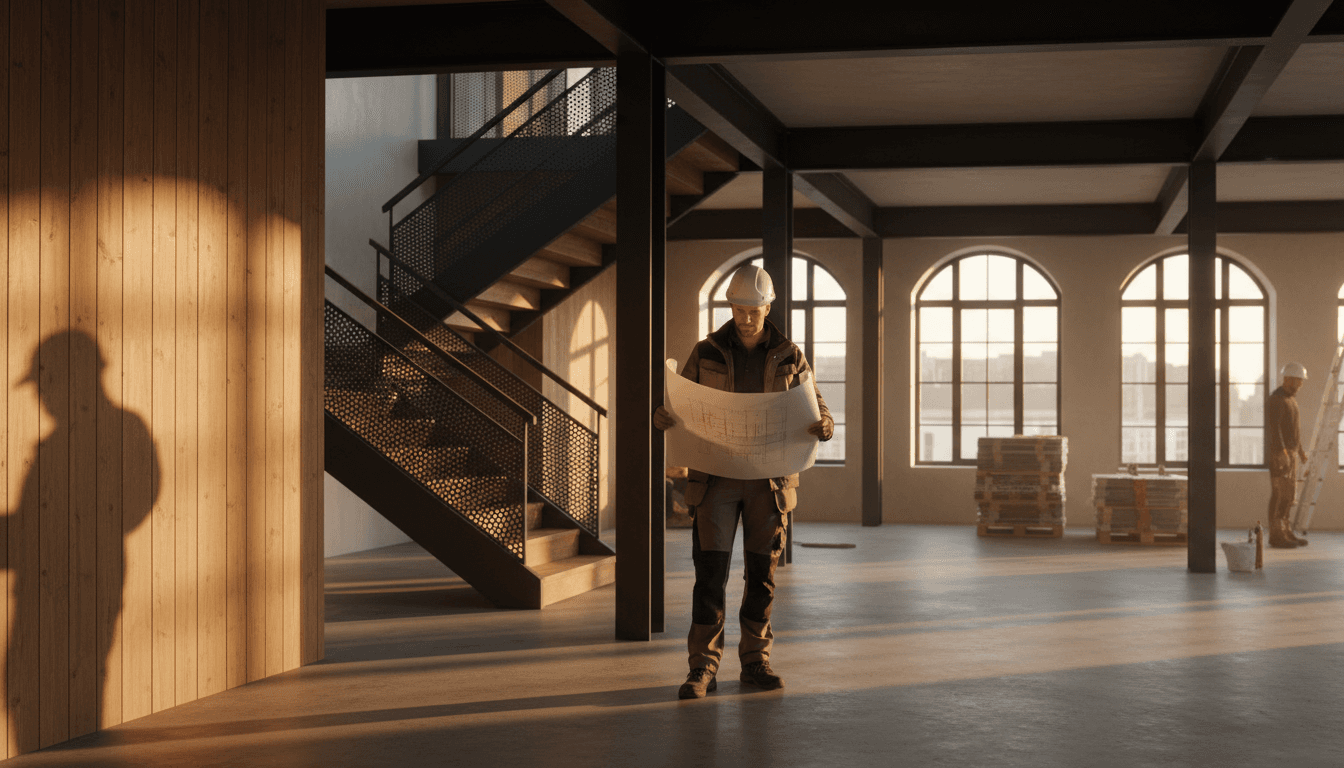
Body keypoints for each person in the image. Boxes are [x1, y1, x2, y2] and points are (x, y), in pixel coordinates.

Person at [653, 264, 833, 700]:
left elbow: (815, 401)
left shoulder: (791, 354)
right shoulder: (707, 351)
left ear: (768, 307)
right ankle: (703, 668)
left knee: (762, 575)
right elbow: (680, 401)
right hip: (716, 481)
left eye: (754, 309)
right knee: (710, 576)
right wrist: (663, 416)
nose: (746, 317)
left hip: (767, 484)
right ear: (730, 307)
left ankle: (755, 661)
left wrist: (825, 421)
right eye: (738, 308)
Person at [1266, 362, 1310, 548]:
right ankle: (1276, 535)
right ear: (1287, 379)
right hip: (1279, 455)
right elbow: (1274, 430)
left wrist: (1300, 453)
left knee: (1289, 496)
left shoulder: (1290, 400)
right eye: (1298, 381)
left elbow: (1293, 431)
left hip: (1290, 454)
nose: (1300, 385)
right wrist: (1283, 453)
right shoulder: (1276, 400)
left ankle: (1286, 531)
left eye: (1301, 382)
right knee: (1280, 494)